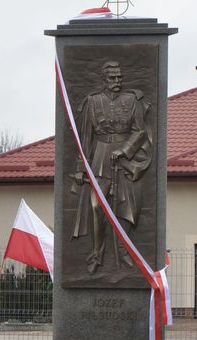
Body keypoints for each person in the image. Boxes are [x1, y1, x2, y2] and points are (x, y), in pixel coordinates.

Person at [71, 60, 153, 274]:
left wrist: (125, 150)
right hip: (100, 158)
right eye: (113, 78)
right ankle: (97, 254)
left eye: (120, 77)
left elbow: (140, 131)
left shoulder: (132, 100)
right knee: (98, 206)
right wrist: (81, 168)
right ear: (104, 80)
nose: (117, 81)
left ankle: (124, 251)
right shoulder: (93, 101)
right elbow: (86, 138)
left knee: (126, 207)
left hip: (125, 160)